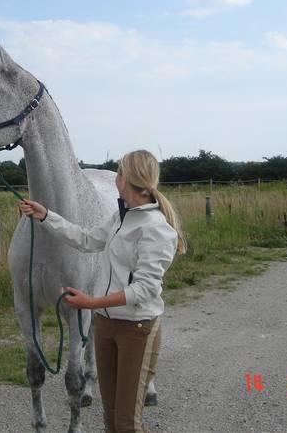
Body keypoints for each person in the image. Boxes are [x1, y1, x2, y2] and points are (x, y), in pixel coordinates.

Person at [20, 149, 186, 433]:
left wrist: (92, 302)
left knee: (126, 423)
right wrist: (46, 216)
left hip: (137, 329)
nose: (115, 178)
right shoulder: (120, 218)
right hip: (107, 326)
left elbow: (144, 289)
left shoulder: (157, 229)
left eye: (118, 172)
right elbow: (85, 239)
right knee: (110, 418)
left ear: (126, 179)